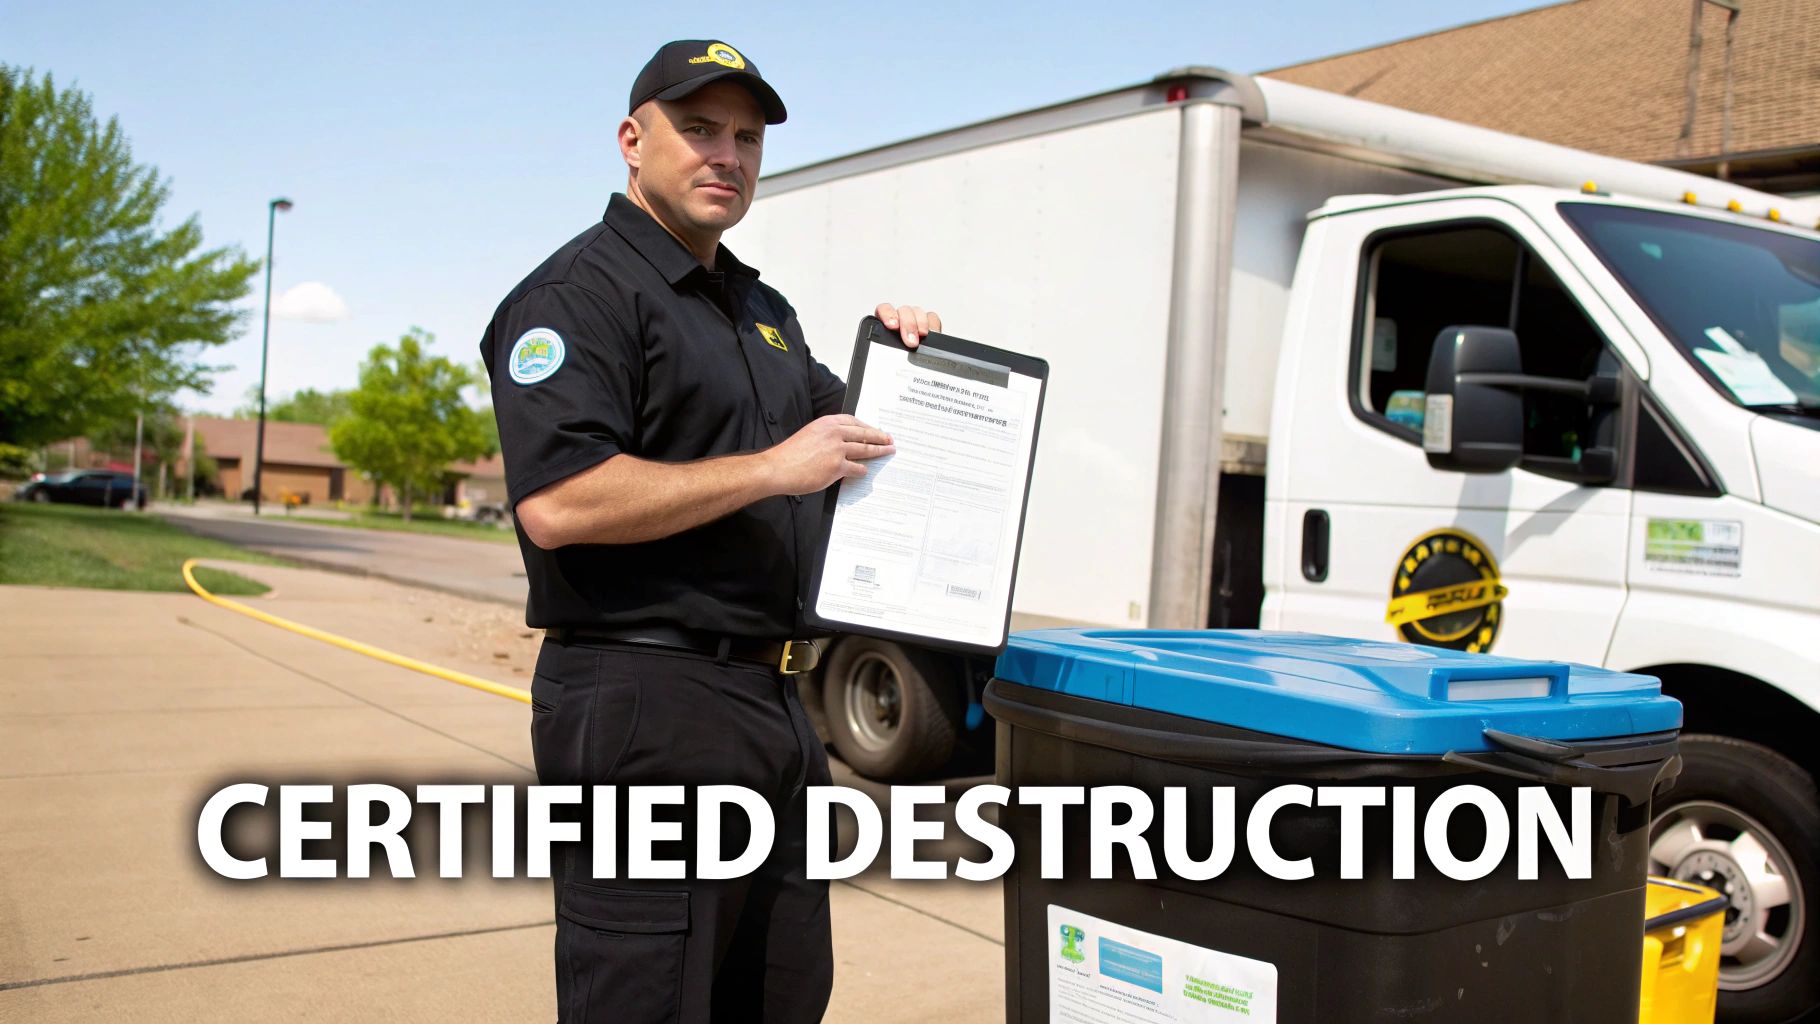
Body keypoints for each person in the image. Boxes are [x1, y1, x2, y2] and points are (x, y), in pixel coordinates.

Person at [481, 38, 942, 1024]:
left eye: (744, 136)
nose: (724, 154)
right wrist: (776, 468)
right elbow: (559, 504)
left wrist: (911, 360)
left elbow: (859, 433)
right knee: (646, 999)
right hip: (646, 700)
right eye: (696, 129)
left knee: (778, 993)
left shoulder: (760, 309)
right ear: (630, 139)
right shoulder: (578, 297)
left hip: (775, 705)